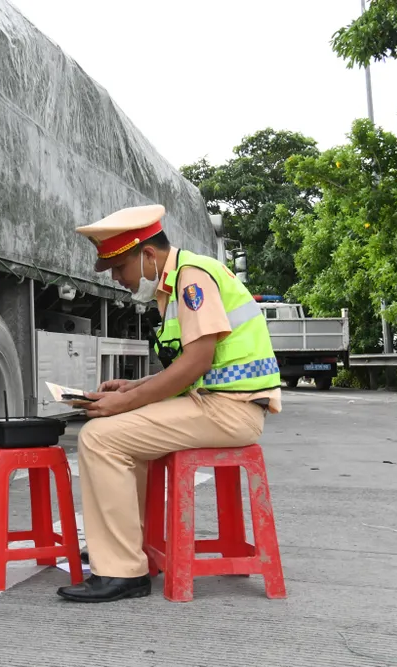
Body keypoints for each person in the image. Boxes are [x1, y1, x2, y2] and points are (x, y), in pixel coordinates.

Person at [56, 204, 282, 603]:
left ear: (147, 255)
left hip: (230, 409)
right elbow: (190, 367)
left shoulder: (192, 279)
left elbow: (198, 362)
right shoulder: (179, 280)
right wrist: (132, 388)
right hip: (219, 402)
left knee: (99, 437)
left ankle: (123, 571)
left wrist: (125, 403)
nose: (117, 278)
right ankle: (126, 548)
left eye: (119, 267)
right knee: (120, 433)